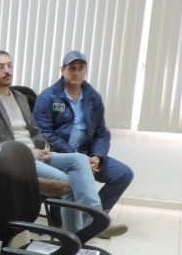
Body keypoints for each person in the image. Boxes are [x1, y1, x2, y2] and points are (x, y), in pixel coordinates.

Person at [0, 51, 124, 236]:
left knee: (80, 159)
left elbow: (35, 130)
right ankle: (77, 233)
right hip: (13, 160)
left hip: (36, 155)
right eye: (0, 67)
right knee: (69, 181)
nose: (7, 70)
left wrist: (44, 148)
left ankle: (94, 219)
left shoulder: (19, 97)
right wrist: (28, 152)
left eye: (9, 65)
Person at [33, 50, 135, 228]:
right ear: (62, 70)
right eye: (72, 68)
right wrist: (77, 157)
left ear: (86, 71)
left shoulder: (93, 97)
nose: (76, 72)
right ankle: (94, 221)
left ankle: (95, 219)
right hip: (59, 155)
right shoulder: (48, 97)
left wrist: (97, 157)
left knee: (123, 174)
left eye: (81, 68)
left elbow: (102, 132)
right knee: (63, 220)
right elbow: (43, 133)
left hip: (88, 153)